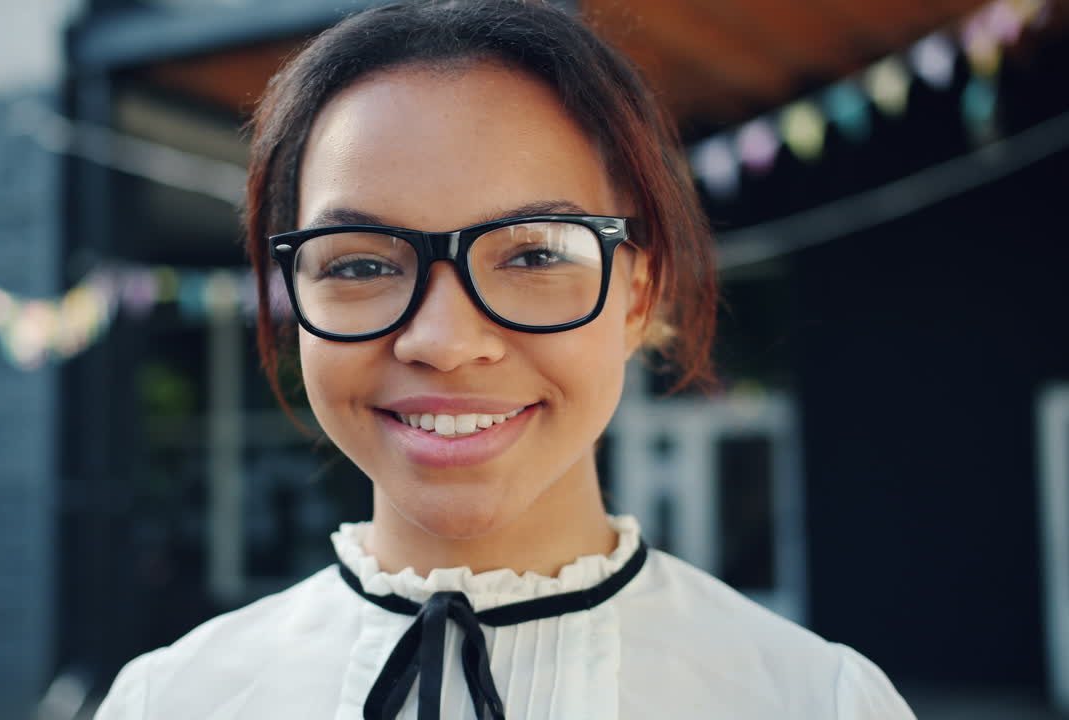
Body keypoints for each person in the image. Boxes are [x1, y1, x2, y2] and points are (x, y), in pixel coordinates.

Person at [96, 1, 916, 717]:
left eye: (534, 256)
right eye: (360, 265)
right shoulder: (172, 700)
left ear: (639, 294)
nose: (445, 343)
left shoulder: (815, 702)